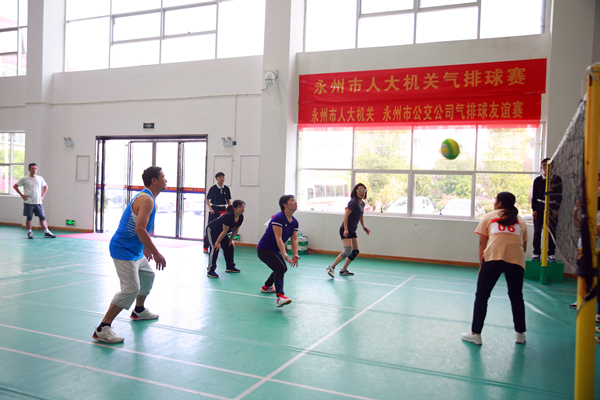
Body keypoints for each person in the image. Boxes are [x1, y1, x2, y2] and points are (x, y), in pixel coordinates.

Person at [93, 166, 167, 344]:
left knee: (148, 276)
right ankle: (102, 328)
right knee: (131, 289)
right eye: (163, 177)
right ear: (154, 181)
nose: (166, 181)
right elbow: (139, 228)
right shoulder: (146, 199)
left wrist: (145, 247)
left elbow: (141, 228)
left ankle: (139, 310)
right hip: (122, 249)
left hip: (135, 249)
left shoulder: (151, 200)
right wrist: (156, 252)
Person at [462, 192, 528, 346]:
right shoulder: (520, 220)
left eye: (495, 200)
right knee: (516, 296)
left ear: (499, 204)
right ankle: (520, 334)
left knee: (482, 296)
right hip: (516, 260)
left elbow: (482, 244)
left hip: (492, 259)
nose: (493, 203)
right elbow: (523, 247)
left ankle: (475, 334)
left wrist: (481, 266)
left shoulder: (488, 216)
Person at [257, 195, 300, 307]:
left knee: (283, 268)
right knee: (279, 268)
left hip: (274, 249)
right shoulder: (278, 217)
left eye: (295, 200)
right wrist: (285, 254)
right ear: (285, 205)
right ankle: (280, 296)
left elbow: (294, 239)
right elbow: (278, 238)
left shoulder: (294, 222)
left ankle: (266, 286)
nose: (295, 202)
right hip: (264, 249)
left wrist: (295, 254)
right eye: (292, 201)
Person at [326, 183, 371, 278]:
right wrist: (346, 229)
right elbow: (346, 215)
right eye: (359, 190)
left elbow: (361, 215)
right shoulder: (353, 202)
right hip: (346, 229)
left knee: (355, 251)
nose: (362, 192)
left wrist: (364, 226)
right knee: (347, 251)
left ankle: (344, 269)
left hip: (353, 229)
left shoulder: (362, 203)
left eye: (364, 190)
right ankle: (331, 267)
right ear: (355, 192)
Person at [12, 163, 57, 239]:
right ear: (29, 169)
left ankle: (47, 232)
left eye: (35, 168)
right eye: (32, 168)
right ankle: (29, 232)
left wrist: (42, 196)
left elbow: (46, 186)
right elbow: (15, 186)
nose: (34, 170)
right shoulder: (25, 179)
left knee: (42, 218)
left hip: (38, 202)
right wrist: (21, 195)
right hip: (28, 202)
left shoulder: (40, 178)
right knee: (29, 218)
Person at [531, 158, 562, 262]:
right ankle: (536, 253)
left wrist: (556, 209)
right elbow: (534, 196)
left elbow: (559, 196)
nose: (545, 167)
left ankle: (551, 254)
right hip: (539, 207)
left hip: (552, 208)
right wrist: (534, 209)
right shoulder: (537, 180)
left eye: (548, 165)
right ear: (541, 167)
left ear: (552, 166)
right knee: (537, 231)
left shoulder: (557, 180)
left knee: (551, 231)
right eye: (544, 165)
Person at [205, 200, 245, 278]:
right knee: (215, 248)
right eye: (240, 207)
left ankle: (230, 267)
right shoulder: (228, 216)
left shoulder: (241, 217)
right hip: (212, 230)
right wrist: (217, 242)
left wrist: (230, 240)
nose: (243, 208)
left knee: (229, 246)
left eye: (243, 207)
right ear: (235, 208)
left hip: (222, 233)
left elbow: (236, 229)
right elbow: (224, 231)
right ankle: (210, 270)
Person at [203, 172, 232, 253]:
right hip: (214, 209)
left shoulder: (226, 188)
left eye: (223, 177)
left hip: (223, 209)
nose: (222, 178)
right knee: (210, 227)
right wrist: (210, 208)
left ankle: (222, 245)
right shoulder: (213, 188)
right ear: (216, 179)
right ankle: (206, 246)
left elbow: (228, 200)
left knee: (223, 228)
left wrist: (230, 209)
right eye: (220, 177)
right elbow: (207, 199)